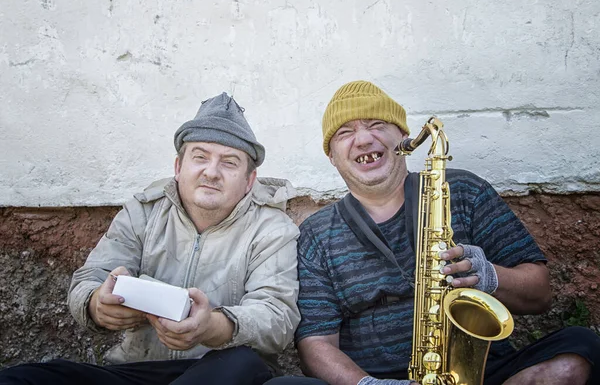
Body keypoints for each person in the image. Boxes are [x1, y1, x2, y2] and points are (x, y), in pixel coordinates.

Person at [265, 80, 599, 385]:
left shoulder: (465, 191)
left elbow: (540, 293)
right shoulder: (316, 234)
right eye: (345, 132)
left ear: (403, 138)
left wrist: (490, 277)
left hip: (484, 373)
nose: (364, 139)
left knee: (579, 350)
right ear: (332, 157)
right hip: (379, 380)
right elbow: (316, 344)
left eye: (376, 125)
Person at [0, 92, 301, 385]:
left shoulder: (272, 228)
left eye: (229, 162)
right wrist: (97, 304)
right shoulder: (142, 213)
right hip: (137, 369)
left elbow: (277, 317)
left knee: (242, 361)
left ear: (249, 181)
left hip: (221, 371)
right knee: (25, 378)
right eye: (200, 157)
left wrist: (211, 326)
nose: (211, 172)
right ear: (178, 167)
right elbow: (89, 279)